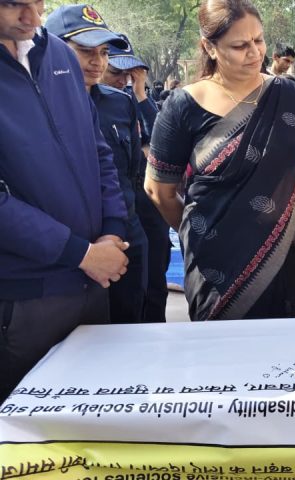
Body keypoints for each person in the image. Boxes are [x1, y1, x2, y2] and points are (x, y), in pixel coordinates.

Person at [145, 0, 295, 321]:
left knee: (288, 359)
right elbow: (158, 191)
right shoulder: (183, 106)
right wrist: (203, 231)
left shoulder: (294, 99)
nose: (255, 53)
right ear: (210, 47)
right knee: (221, 359)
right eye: (240, 45)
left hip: (283, 257)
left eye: (258, 40)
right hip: (215, 267)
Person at [0, 0, 129, 400]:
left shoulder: (57, 53)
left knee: (93, 424)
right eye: (12, 4)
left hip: (94, 281)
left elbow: (98, 151)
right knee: (27, 444)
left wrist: (112, 230)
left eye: (37, 2)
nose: (33, 18)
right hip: (26, 296)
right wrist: (79, 253)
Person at [45, 5, 149, 324]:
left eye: (103, 52)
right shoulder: (36, 106)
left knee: (130, 326)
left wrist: (121, 229)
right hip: (70, 249)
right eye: (85, 51)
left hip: (125, 236)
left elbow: (131, 171)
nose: (98, 62)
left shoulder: (120, 102)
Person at [101, 33, 171, 323]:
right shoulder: (82, 104)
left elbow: (161, 140)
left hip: (145, 202)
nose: (123, 80)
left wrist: (141, 93)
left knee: (154, 278)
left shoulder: (132, 102)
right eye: (116, 72)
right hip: (112, 208)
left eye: (129, 74)